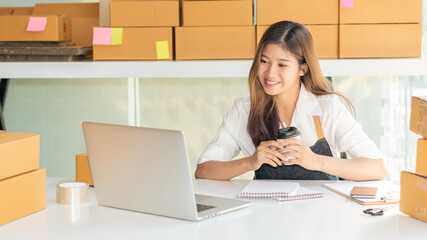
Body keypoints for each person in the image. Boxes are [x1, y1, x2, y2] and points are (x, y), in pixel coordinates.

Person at [195, 21, 387, 181]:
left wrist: (315, 161)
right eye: (264, 61)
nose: (270, 73)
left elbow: (377, 168)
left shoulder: (328, 108)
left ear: (302, 69)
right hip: (266, 220)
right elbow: (203, 171)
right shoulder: (244, 109)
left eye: (282, 65)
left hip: (323, 221)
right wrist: (250, 162)